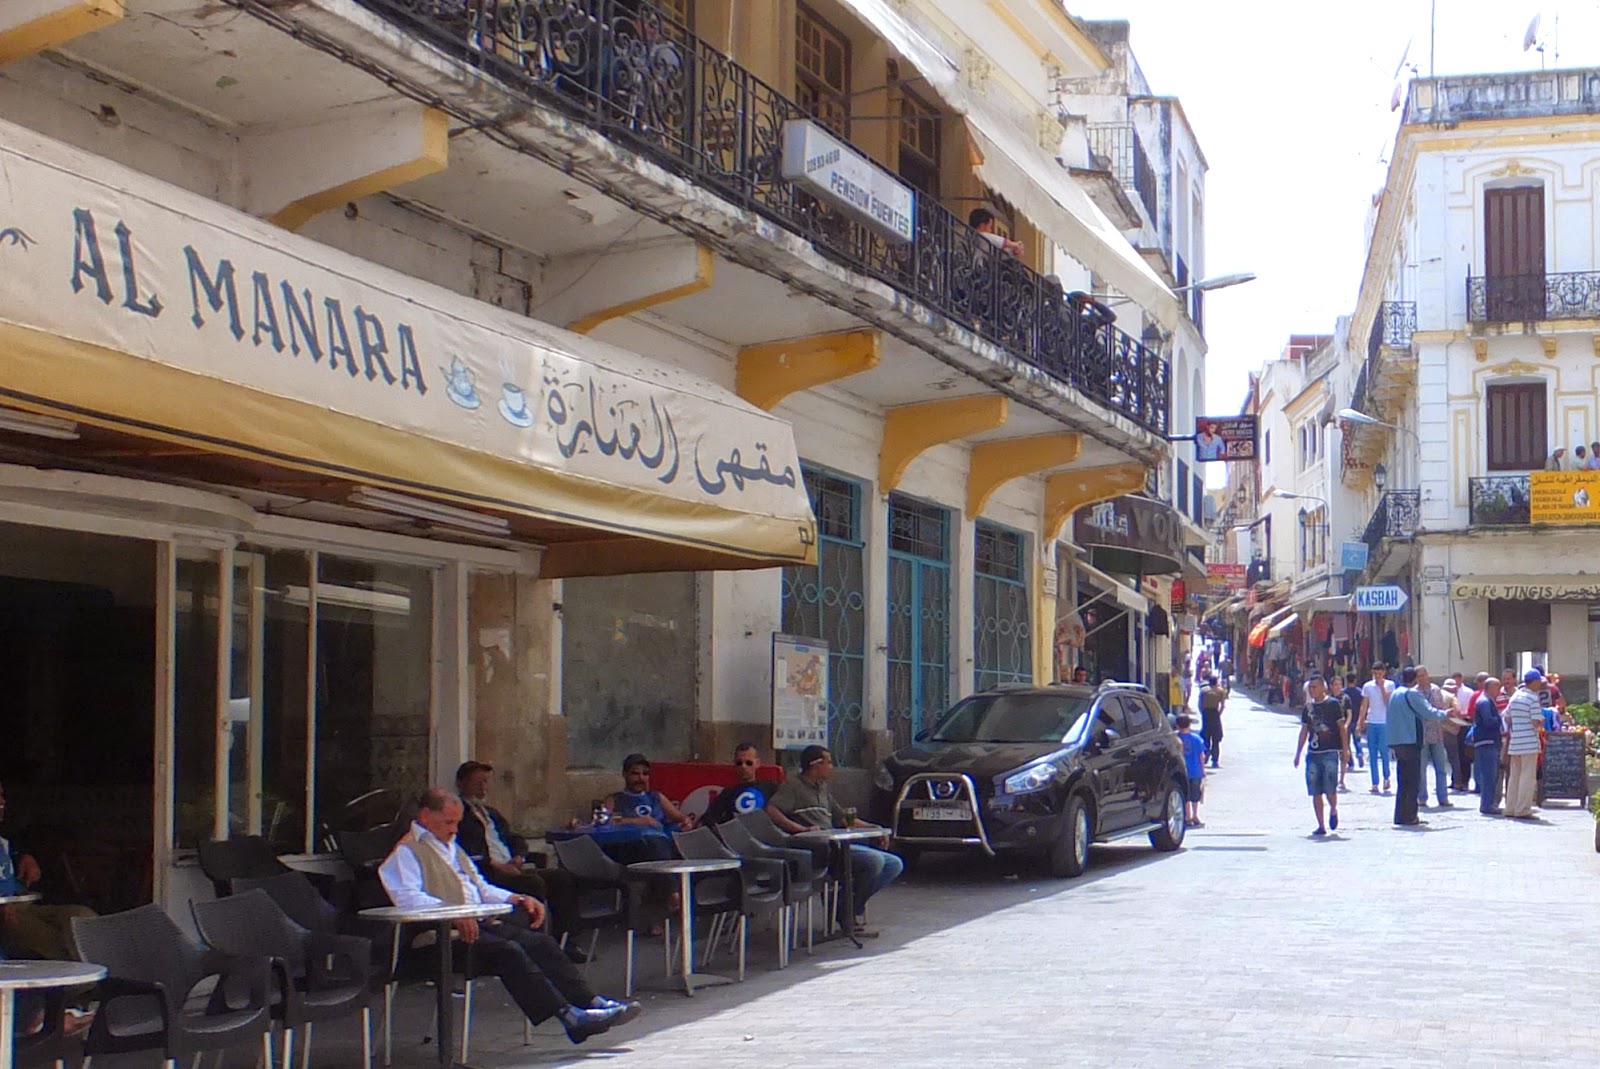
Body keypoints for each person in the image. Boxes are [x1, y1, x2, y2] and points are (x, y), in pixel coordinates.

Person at [378, 788, 641, 1045]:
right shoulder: (406, 852)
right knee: (508, 951)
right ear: (425, 816)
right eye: (448, 822)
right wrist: (453, 915)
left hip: (477, 926)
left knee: (540, 942)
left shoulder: (451, 847)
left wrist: (514, 898)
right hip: (435, 939)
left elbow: (479, 887)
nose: (454, 829)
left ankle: (590, 1003)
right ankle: (569, 1017)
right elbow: (409, 899)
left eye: (456, 822)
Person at [454, 761, 588, 963]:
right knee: (533, 884)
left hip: (512, 865)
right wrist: (498, 866)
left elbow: (514, 837)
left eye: (485, 782)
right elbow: (467, 853)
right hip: (490, 871)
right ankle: (538, 941)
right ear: (461, 784)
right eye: (476, 783)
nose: (482, 788)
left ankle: (567, 940)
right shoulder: (459, 816)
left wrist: (519, 856)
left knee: (561, 877)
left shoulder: (490, 813)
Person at [767, 746, 902, 936]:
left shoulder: (822, 789)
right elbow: (773, 810)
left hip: (835, 846)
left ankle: (846, 907)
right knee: (873, 862)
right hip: (815, 851)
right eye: (828, 762)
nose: (831, 767)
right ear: (816, 765)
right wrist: (801, 829)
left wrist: (874, 829)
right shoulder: (793, 787)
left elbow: (842, 817)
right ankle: (845, 913)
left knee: (893, 864)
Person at [0, 780, 95, 961]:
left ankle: (100, 977)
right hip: (4, 912)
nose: (2, 802)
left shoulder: (4, 842)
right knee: (52, 941)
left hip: (24, 905)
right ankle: (82, 988)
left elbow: (13, 857)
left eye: (2, 796)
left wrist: (23, 857)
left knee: (82, 916)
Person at [1385, 666, 1450, 827]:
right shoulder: (1412, 693)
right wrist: (1445, 714)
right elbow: (1428, 711)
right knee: (1413, 781)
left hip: (1397, 741)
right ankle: (1411, 815)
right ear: (1415, 679)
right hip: (1411, 740)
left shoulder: (1395, 693)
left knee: (1403, 781)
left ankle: (1400, 815)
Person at [1294, 678, 1346, 836]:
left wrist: (1345, 749)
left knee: (1330, 790)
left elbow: (1341, 727)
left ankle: (1333, 809)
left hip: (1330, 752)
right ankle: (1321, 825)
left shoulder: (1333, 704)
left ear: (1323, 688)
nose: (1311, 690)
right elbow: (1304, 731)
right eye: (1310, 688)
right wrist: (1298, 753)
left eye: (1314, 687)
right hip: (1313, 754)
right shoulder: (1308, 708)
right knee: (1315, 790)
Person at [607, 753, 698, 830]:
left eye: (645, 774)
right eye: (635, 774)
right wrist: (636, 821)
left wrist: (687, 823)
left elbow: (682, 818)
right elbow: (603, 821)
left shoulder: (656, 797)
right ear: (625, 774)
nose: (641, 778)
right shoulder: (615, 799)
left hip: (659, 842)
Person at [701, 743, 781, 826]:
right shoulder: (728, 793)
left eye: (748, 763)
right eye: (739, 763)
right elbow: (709, 819)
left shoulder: (770, 787)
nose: (743, 766)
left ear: (757, 763)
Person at [1503, 669, 1546, 819]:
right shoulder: (1533, 698)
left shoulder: (1515, 696)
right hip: (1529, 742)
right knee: (1527, 776)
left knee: (1514, 776)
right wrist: (1541, 721)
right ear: (1534, 682)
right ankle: (1522, 809)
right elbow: (1536, 722)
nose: (1540, 684)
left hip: (1515, 742)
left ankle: (1510, 807)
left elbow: (1507, 717)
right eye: (1539, 681)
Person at [1354, 663, 1395, 794]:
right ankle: (1375, 782)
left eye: (1379, 673)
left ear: (1384, 673)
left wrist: (1382, 687)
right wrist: (1360, 722)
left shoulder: (1390, 685)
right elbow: (1364, 705)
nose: (1377, 676)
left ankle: (1386, 777)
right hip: (1372, 721)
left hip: (1384, 722)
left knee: (1384, 752)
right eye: (1375, 673)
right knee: (1372, 753)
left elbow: (1388, 703)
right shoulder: (1367, 686)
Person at [1418, 673, 1454, 809]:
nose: (1421, 679)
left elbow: (1440, 709)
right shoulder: (1415, 692)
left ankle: (1443, 797)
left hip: (1437, 733)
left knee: (1441, 767)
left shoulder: (1435, 690)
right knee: (1422, 768)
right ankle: (1422, 797)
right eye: (1419, 676)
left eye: (1423, 676)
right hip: (1422, 735)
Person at [1471, 677, 1504, 815]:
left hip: (1488, 741)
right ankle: (1487, 805)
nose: (1499, 691)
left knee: (1491, 775)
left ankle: (1488, 803)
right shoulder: (1484, 702)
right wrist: (1500, 718)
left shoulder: (1486, 700)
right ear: (1490, 688)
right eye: (1497, 687)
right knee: (1489, 775)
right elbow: (1488, 721)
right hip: (1487, 741)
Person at [1174, 715, 1206, 828]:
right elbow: (1201, 755)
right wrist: (1203, 770)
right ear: (1189, 724)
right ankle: (1195, 815)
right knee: (1195, 794)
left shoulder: (1175, 739)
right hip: (1196, 770)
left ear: (1177, 725)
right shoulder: (1196, 738)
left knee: (1185, 794)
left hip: (1183, 770)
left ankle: (1187, 816)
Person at [1198, 674, 1227, 769]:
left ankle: (1206, 755)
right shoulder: (1220, 691)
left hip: (1206, 714)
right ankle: (1215, 760)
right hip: (1215, 713)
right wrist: (1219, 714)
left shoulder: (1204, 691)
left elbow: (1200, 704)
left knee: (1205, 737)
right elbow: (1222, 705)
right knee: (1216, 739)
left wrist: (1202, 713)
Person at [1338, 674, 1366, 770]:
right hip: (1356, 719)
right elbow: (1363, 705)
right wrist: (1362, 719)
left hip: (1346, 720)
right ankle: (1359, 752)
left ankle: (1351, 763)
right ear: (1354, 680)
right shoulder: (1360, 692)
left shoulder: (1343, 693)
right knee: (1357, 740)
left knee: (1347, 742)